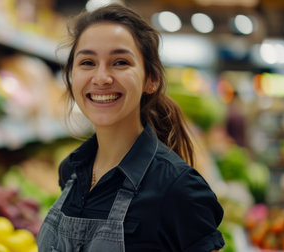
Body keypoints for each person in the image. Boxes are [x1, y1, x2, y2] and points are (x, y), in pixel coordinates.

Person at [37, 3, 225, 252]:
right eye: (87, 63)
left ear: (151, 79)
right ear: (71, 77)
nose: (101, 77)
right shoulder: (71, 171)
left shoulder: (178, 189)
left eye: (120, 62)